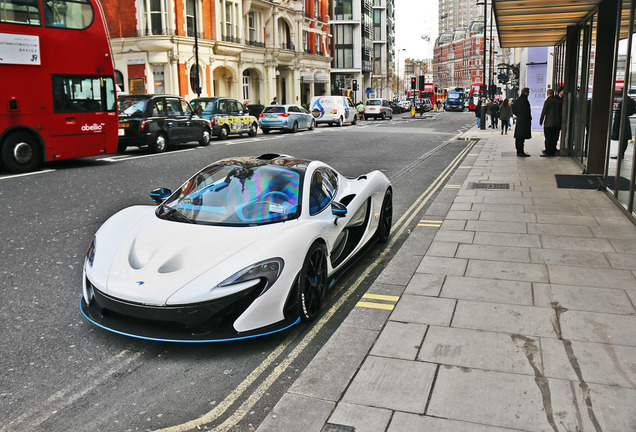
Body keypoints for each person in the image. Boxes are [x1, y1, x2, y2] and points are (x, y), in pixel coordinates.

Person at [611, 95, 636, 159]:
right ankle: (621, 154)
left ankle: (621, 154)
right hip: (622, 120)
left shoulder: (626, 101)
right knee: (623, 138)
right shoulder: (628, 101)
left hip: (622, 121)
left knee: (623, 138)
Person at [539, 89, 561, 157]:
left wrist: (541, 120)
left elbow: (544, 112)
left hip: (548, 123)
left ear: (547, 94)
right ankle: (553, 151)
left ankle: (548, 152)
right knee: (554, 138)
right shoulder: (558, 101)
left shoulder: (547, 101)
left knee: (548, 138)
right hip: (557, 123)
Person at [513, 87, 532, 157]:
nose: (529, 94)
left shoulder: (518, 100)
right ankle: (521, 151)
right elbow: (527, 111)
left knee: (518, 136)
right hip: (524, 120)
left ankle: (519, 150)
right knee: (522, 137)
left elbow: (514, 109)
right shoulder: (525, 101)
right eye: (528, 93)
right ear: (526, 93)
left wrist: (518, 115)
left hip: (519, 119)